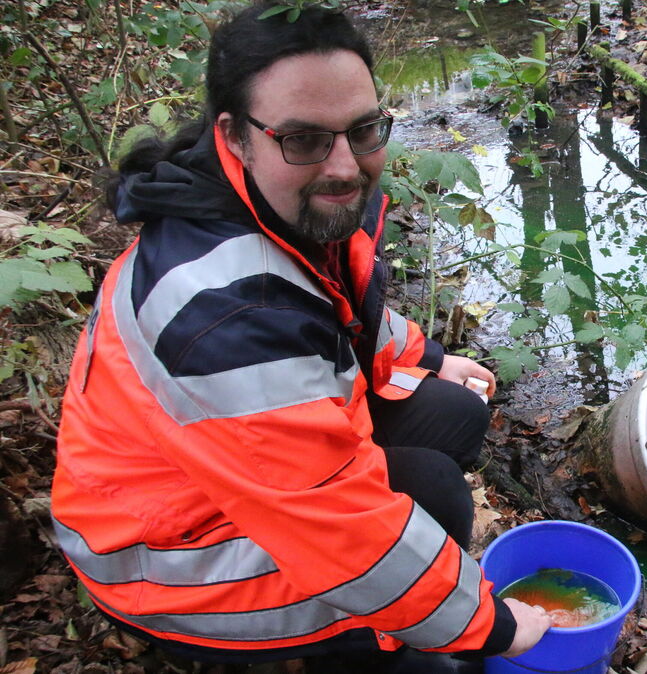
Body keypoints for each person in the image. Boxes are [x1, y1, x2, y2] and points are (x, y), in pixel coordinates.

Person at [49, 3, 550, 670]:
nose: (345, 166)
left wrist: (428, 357)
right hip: (162, 555)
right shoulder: (228, 312)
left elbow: (341, 311)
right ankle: (383, 652)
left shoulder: (282, 200)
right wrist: (487, 624)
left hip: (233, 465)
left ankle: (405, 613)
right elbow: (339, 525)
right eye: (305, 139)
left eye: (364, 130)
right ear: (234, 135)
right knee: (431, 493)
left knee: (453, 413)